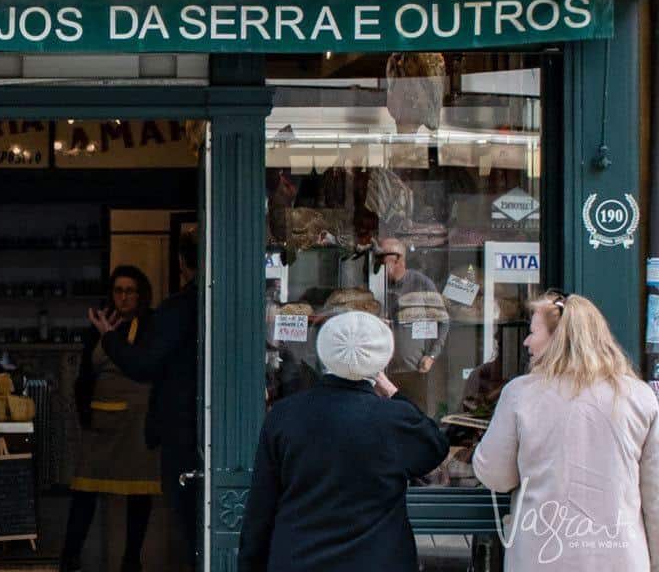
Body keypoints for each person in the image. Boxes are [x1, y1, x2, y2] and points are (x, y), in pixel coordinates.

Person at [238, 310, 449, 572]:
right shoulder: (394, 420)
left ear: (324, 353)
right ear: (380, 360)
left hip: (299, 559)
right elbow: (434, 446)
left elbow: (260, 511)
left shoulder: (284, 415)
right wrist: (391, 389)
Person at [473, 291, 659, 572]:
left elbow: (495, 475)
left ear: (557, 339)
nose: (526, 341)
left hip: (541, 556)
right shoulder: (639, 396)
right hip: (620, 557)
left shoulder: (520, 394)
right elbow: (655, 494)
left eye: (533, 332)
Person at [90, 229, 200, 568]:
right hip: (206, 423)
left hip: (181, 427)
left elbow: (144, 364)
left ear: (182, 263)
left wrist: (108, 337)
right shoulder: (229, 300)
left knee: (188, 518)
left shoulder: (177, 308)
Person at [61, 266, 161, 572]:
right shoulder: (98, 326)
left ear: (141, 294)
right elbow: (85, 376)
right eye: (118, 290)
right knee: (84, 492)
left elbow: (153, 366)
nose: (124, 297)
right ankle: (70, 558)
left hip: (138, 421)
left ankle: (131, 560)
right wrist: (84, 412)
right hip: (101, 422)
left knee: (140, 493)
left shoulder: (153, 326)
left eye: (130, 290)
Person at [376, 237, 449, 409]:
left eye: (382, 257)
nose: (377, 261)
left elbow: (443, 321)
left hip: (412, 370)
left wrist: (432, 356)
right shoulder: (377, 283)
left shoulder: (421, 283)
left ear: (399, 259)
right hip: (380, 368)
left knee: (413, 413)